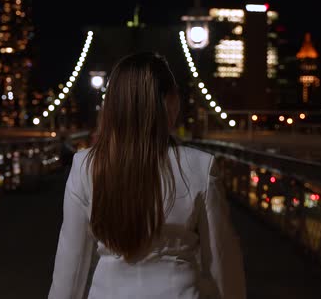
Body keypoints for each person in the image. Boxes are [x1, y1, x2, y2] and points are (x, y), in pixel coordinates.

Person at [48, 52, 245, 299]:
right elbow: (221, 263)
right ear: (170, 102)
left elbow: (70, 269)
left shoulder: (85, 165)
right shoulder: (201, 167)